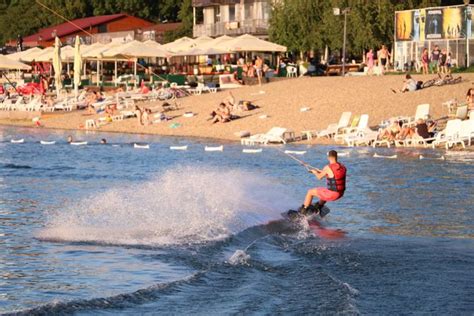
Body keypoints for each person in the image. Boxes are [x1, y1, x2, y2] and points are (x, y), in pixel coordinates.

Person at [297, 150, 347, 217]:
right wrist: (318, 170)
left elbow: (319, 177)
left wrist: (315, 172)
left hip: (332, 194)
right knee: (323, 190)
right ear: (336, 157)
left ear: (328, 158)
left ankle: (303, 212)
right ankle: (319, 207)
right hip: (340, 194)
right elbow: (332, 174)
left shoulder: (328, 167)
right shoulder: (342, 167)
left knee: (310, 192)